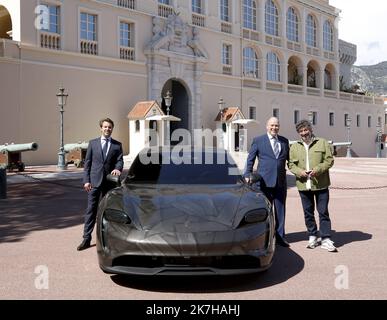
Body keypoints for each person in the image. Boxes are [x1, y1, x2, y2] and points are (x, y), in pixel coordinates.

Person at [288, 119, 337, 252]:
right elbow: (291, 164)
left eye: (306, 130)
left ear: (310, 129)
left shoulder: (322, 142)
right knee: (308, 213)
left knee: (323, 212)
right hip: (304, 185)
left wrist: (318, 170)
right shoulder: (294, 146)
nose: (304, 133)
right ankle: (312, 235)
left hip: (321, 184)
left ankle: (326, 238)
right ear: (298, 133)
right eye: (301, 131)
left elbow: (329, 160)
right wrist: (300, 172)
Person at [77, 118, 123, 251]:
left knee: (107, 212)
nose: (107, 129)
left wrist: (117, 169)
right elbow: (87, 164)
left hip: (109, 183)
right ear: (101, 128)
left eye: (110, 127)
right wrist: (86, 180)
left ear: (112, 129)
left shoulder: (117, 145)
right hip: (94, 183)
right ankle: (86, 238)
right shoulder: (93, 143)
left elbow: (119, 161)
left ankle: (106, 239)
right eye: (105, 127)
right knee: (91, 210)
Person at [245, 117, 290, 247]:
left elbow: (290, 160)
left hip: (280, 182)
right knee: (265, 211)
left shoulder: (284, 141)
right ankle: (264, 237)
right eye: (272, 125)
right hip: (263, 183)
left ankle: (280, 237)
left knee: (280, 211)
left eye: (276, 125)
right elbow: (250, 160)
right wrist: (247, 174)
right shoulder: (258, 141)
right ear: (267, 126)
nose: (274, 128)